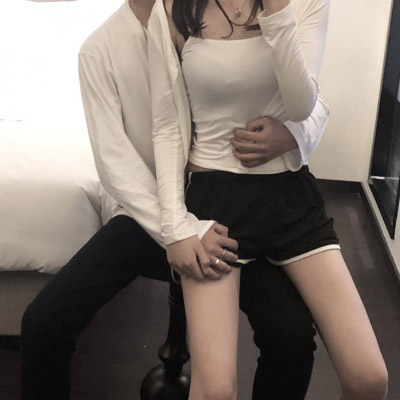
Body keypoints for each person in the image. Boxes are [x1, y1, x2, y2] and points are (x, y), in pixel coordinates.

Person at [20, 0, 331, 399]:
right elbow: (116, 163)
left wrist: (296, 135)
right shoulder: (100, 50)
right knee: (43, 323)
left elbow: (307, 92)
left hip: (233, 209)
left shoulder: (229, 11)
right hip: (152, 215)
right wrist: (177, 229)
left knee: (292, 338)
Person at [147, 0, 389, 399]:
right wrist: (175, 228)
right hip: (215, 204)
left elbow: (301, 104)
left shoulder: (306, 3)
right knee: (215, 391)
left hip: (289, 196)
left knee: (369, 379)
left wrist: (278, 13)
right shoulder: (173, 6)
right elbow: (166, 125)